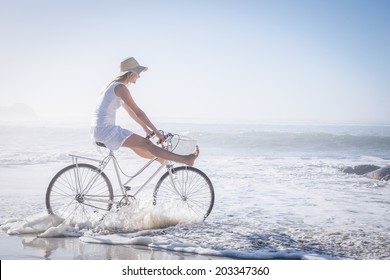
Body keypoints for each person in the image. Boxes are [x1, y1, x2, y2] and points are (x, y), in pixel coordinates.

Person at [91, 57, 199, 166]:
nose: (139, 76)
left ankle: (159, 158)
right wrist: (157, 133)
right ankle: (185, 159)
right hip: (105, 131)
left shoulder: (113, 86)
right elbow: (139, 112)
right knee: (147, 143)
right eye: (138, 72)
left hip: (99, 130)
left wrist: (145, 128)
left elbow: (131, 112)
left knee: (137, 145)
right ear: (132, 73)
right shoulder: (120, 88)